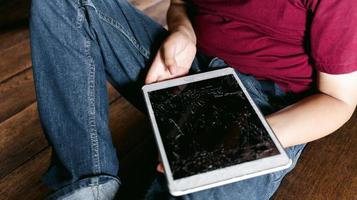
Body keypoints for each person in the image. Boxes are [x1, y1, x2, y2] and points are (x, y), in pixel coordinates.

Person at [29, 0, 357, 199]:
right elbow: (181, 4)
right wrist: (184, 31)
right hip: (190, 67)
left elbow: (338, 99)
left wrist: (236, 140)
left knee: (201, 189)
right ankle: (87, 184)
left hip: (267, 107)